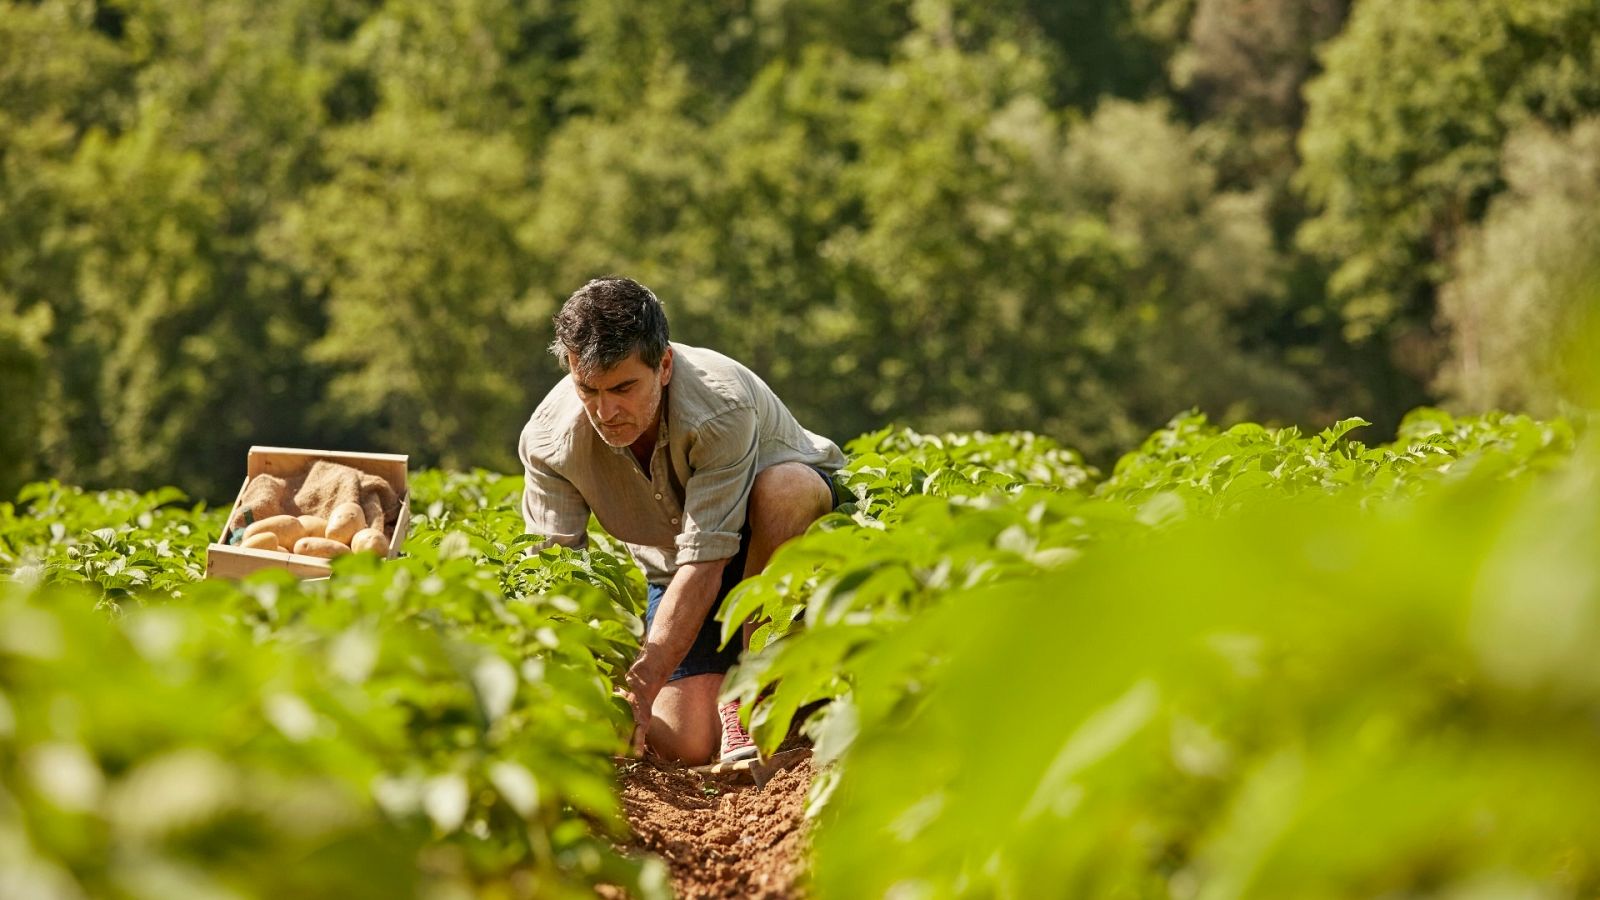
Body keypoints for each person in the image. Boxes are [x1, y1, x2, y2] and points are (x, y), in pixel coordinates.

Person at [519, 276, 845, 765]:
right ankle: (747, 695)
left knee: (786, 491)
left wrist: (643, 681)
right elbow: (555, 573)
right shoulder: (550, 441)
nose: (606, 411)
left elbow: (709, 559)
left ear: (664, 365)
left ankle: (755, 687)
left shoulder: (719, 406)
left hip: (778, 544)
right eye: (588, 389)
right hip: (677, 567)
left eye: (624, 388)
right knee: (685, 742)